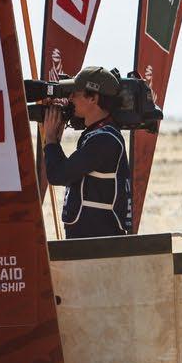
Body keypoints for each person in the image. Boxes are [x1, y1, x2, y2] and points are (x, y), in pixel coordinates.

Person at [40, 66, 132, 238]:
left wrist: (51, 139)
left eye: (76, 93)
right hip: (92, 240)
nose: (70, 98)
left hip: (97, 243)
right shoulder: (100, 134)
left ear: (93, 98)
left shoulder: (104, 139)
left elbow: (59, 175)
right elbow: (67, 173)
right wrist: (54, 141)